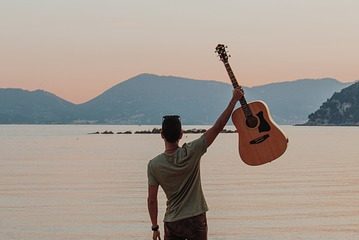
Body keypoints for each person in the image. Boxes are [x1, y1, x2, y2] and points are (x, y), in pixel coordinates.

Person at [147, 87, 244, 240]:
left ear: (161, 135)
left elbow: (152, 200)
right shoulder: (193, 151)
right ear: (181, 134)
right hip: (196, 218)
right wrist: (234, 100)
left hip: (173, 221)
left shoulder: (154, 165)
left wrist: (155, 227)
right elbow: (218, 127)